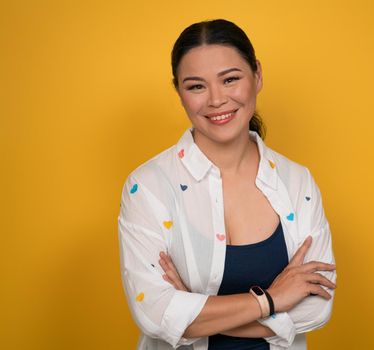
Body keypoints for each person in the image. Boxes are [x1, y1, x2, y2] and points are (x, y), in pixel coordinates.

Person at [118, 19, 336, 350]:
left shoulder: (296, 181)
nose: (217, 100)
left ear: (257, 76)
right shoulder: (148, 187)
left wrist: (193, 310)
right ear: (179, 92)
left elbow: (317, 307)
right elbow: (154, 313)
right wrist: (272, 300)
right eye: (196, 87)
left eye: (230, 79)